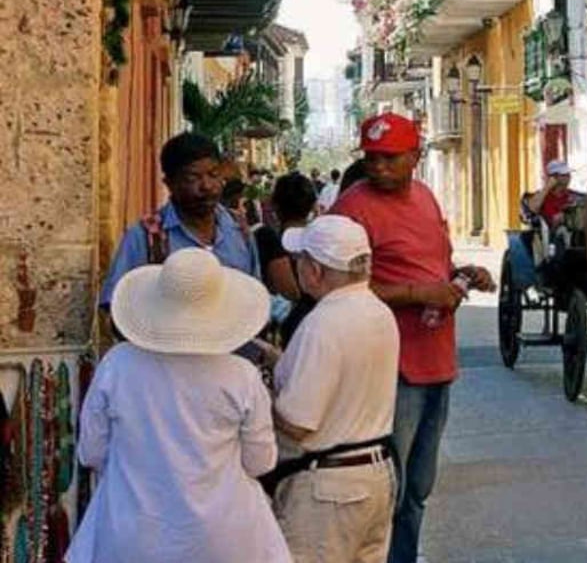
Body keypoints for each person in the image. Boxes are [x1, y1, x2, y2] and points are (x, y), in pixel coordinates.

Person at [329, 112, 495, 563]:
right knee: (388, 488)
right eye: (372, 158)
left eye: (389, 158)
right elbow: (334, 288)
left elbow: (433, 264)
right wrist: (416, 293)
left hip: (436, 360)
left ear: (415, 157)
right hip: (389, 368)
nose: (379, 167)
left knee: (418, 487)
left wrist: (460, 275)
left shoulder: (424, 197)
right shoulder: (352, 209)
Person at [68, 249, 288, 562]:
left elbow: (91, 451)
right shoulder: (241, 376)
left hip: (133, 533)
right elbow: (260, 462)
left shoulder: (117, 365)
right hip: (223, 538)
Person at [270, 215, 399, 563]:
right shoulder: (379, 312)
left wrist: (260, 397)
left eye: (300, 262)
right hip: (375, 475)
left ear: (315, 270)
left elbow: (298, 422)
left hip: (328, 489)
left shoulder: (322, 323)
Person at [100, 132, 259, 313]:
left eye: (213, 174)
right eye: (193, 178)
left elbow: (254, 292)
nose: (206, 185)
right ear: (169, 183)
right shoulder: (145, 238)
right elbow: (114, 303)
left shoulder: (240, 230)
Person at [257, 172, 319, 346]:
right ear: (313, 205)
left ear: (274, 205)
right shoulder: (323, 243)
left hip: (281, 335)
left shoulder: (265, 240)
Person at [525, 160, 585, 229]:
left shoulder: (574, 195)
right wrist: (547, 187)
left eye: (568, 174)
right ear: (553, 177)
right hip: (549, 235)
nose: (568, 177)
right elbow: (532, 209)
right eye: (564, 175)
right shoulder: (542, 195)